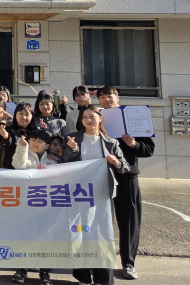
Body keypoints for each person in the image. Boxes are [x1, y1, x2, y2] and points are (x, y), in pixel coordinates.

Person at [61, 104, 129, 285]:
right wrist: (72, 150)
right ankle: (83, 277)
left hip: (102, 195)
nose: (88, 120)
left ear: (100, 118)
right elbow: (64, 163)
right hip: (78, 194)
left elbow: (125, 166)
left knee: (101, 234)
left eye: (92, 116)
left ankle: (102, 279)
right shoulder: (73, 138)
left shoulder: (111, 142)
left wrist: (116, 163)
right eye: (84, 117)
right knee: (79, 232)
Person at [97, 86, 155, 280]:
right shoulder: (96, 117)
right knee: (100, 221)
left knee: (129, 222)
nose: (106, 99)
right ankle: (100, 262)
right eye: (102, 97)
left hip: (127, 177)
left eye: (110, 96)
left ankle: (128, 264)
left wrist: (134, 144)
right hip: (101, 176)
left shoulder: (133, 117)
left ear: (117, 97)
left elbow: (149, 150)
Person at [10, 128, 56, 285]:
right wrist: (22, 148)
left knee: (46, 238)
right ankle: (21, 269)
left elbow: (59, 177)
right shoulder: (23, 153)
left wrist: (47, 171)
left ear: (47, 145)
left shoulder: (52, 160)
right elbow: (18, 165)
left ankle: (45, 273)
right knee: (23, 236)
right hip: (25, 204)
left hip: (46, 205)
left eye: (40, 141)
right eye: (33, 140)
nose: (36, 144)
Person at [0, 103, 37, 170]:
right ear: (15, 115)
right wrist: (5, 137)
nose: (24, 117)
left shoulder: (35, 131)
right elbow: (5, 144)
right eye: (21, 113)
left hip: (31, 168)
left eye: (27, 114)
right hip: (11, 168)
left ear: (32, 116)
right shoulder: (9, 129)